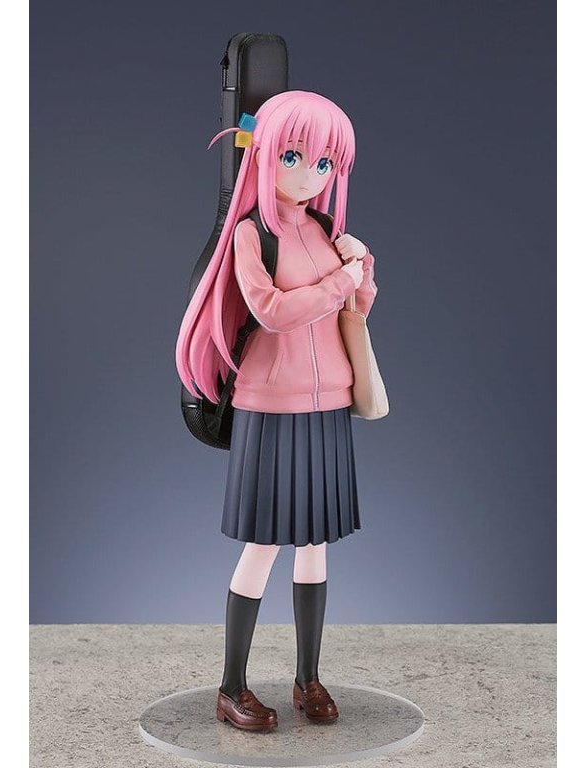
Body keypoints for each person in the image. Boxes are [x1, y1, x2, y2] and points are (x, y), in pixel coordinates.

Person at [175, 90, 379, 732]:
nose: (310, 174)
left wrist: (361, 271)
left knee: (316, 544)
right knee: (263, 544)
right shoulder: (251, 233)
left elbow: (353, 307)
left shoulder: (322, 228)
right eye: (294, 156)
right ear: (261, 152)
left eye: (324, 163)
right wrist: (340, 281)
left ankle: (307, 678)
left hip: (329, 402)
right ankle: (231, 687)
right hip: (270, 403)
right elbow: (272, 311)